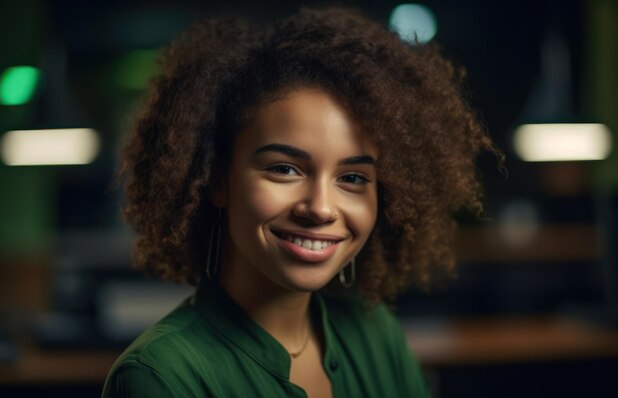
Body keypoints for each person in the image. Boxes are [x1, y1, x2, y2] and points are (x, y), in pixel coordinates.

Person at [102, 6, 500, 398]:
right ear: (217, 181)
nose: (321, 208)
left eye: (353, 178)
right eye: (285, 170)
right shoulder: (161, 377)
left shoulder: (374, 333)